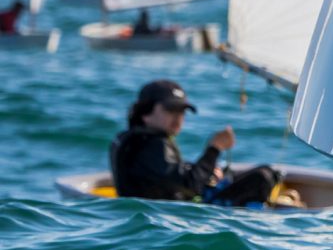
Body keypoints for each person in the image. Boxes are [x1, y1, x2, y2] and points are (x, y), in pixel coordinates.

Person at [109, 79, 282, 206]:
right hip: (168, 217)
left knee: (253, 174)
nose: (178, 118)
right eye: (171, 110)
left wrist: (206, 170)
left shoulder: (131, 139)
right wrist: (214, 148)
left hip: (160, 211)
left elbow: (169, 175)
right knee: (263, 177)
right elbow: (190, 185)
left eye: (182, 112)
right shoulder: (150, 144)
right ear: (145, 113)